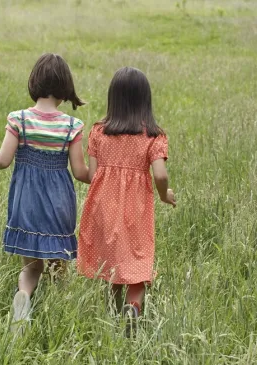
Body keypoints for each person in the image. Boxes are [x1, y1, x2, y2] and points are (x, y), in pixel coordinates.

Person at [0, 53, 89, 335]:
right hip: (59, 202)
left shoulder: (19, 119)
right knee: (58, 265)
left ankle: (25, 297)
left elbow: (3, 160)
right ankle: (60, 310)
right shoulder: (70, 126)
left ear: (34, 82)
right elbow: (80, 172)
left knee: (30, 266)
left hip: (26, 200)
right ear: (65, 87)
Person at [77, 67, 176, 337]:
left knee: (112, 258)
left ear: (114, 99)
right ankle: (133, 307)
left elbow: (92, 174)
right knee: (137, 260)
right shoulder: (153, 136)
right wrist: (164, 193)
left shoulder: (99, 132)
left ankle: (112, 306)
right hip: (136, 209)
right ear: (145, 100)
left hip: (102, 205)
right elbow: (160, 173)